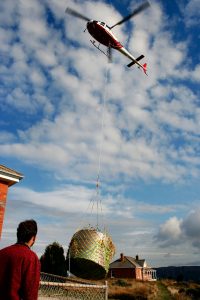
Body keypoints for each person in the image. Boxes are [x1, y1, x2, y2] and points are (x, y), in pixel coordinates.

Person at [0, 219, 40, 300]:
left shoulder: (2, 253)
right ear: (34, 238)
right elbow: (30, 293)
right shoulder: (31, 258)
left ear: (18, 235)